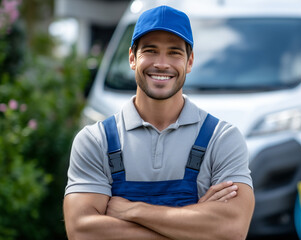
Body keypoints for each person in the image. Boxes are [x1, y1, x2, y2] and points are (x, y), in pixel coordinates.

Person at [63, 5, 255, 240]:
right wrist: (195, 225)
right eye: (151, 51)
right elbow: (82, 231)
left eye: (174, 52)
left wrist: (132, 210)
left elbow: (232, 230)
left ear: (190, 61)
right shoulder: (95, 141)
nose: (162, 64)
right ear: (133, 58)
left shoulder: (222, 139)